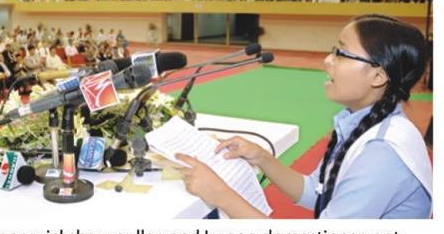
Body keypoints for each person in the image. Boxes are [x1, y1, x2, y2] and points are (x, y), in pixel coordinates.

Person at [176, 15, 432, 219]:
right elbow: (315, 193)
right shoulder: (362, 123)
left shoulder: (382, 153)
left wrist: (219, 194)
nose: (328, 60)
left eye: (341, 53)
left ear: (378, 76)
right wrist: (261, 157)